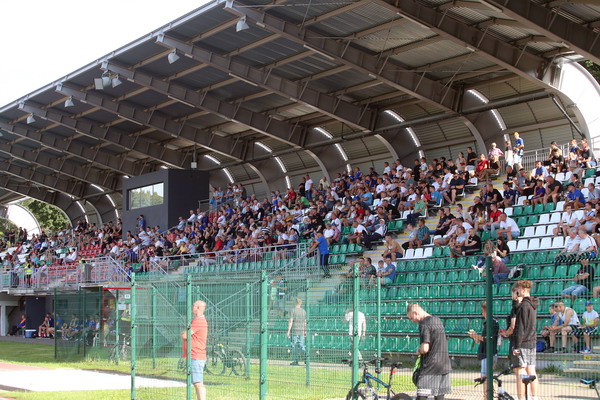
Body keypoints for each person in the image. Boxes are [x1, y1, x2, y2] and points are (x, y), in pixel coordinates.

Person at [407, 304, 451, 400]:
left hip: (431, 366)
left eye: (411, 318)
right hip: (444, 365)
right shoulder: (437, 320)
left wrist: (418, 351)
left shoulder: (424, 324)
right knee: (439, 397)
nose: (412, 320)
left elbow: (425, 348)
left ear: (415, 312)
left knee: (422, 396)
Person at [511, 280, 539, 400]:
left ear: (523, 289)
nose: (517, 291)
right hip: (531, 341)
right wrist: (515, 302)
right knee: (531, 371)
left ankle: (521, 397)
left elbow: (520, 327)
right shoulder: (532, 304)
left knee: (520, 372)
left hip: (523, 342)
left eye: (518, 289)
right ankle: (534, 397)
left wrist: (517, 346)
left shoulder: (524, 306)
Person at [468, 301, 499, 396]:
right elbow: (484, 339)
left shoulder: (490, 322)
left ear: (483, 310)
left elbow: (487, 339)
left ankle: (487, 396)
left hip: (488, 354)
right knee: (488, 377)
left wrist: (475, 336)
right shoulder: (491, 322)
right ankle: (489, 395)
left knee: (485, 377)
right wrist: (476, 337)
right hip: (490, 353)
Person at [181, 300, 208, 400]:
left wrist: (184, 333)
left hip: (196, 355)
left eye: (193, 305)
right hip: (194, 355)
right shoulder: (197, 320)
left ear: (198, 308)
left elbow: (185, 335)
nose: (192, 307)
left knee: (198, 383)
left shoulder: (198, 321)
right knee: (196, 382)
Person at [287, 298, 306, 366]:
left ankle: (295, 361)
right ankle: (306, 356)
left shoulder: (293, 310)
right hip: (301, 331)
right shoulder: (303, 311)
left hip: (295, 330)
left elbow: (291, 321)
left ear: (295, 303)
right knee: (301, 345)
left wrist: (288, 331)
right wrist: (305, 331)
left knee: (294, 346)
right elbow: (305, 322)